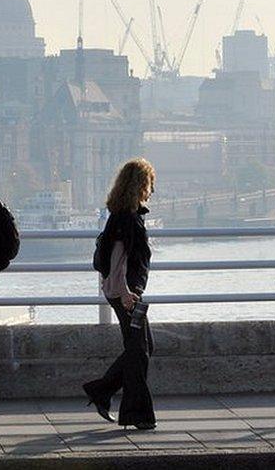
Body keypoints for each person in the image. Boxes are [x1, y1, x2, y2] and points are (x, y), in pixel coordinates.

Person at [83, 158, 157, 429]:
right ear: (140, 184)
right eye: (150, 183)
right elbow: (119, 259)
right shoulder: (126, 217)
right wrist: (127, 292)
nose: (151, 189)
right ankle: (137, 414)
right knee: (139, 350)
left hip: (123, 291)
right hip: (125, 293)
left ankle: (102, 391)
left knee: (143, 347)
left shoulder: (124, 214)